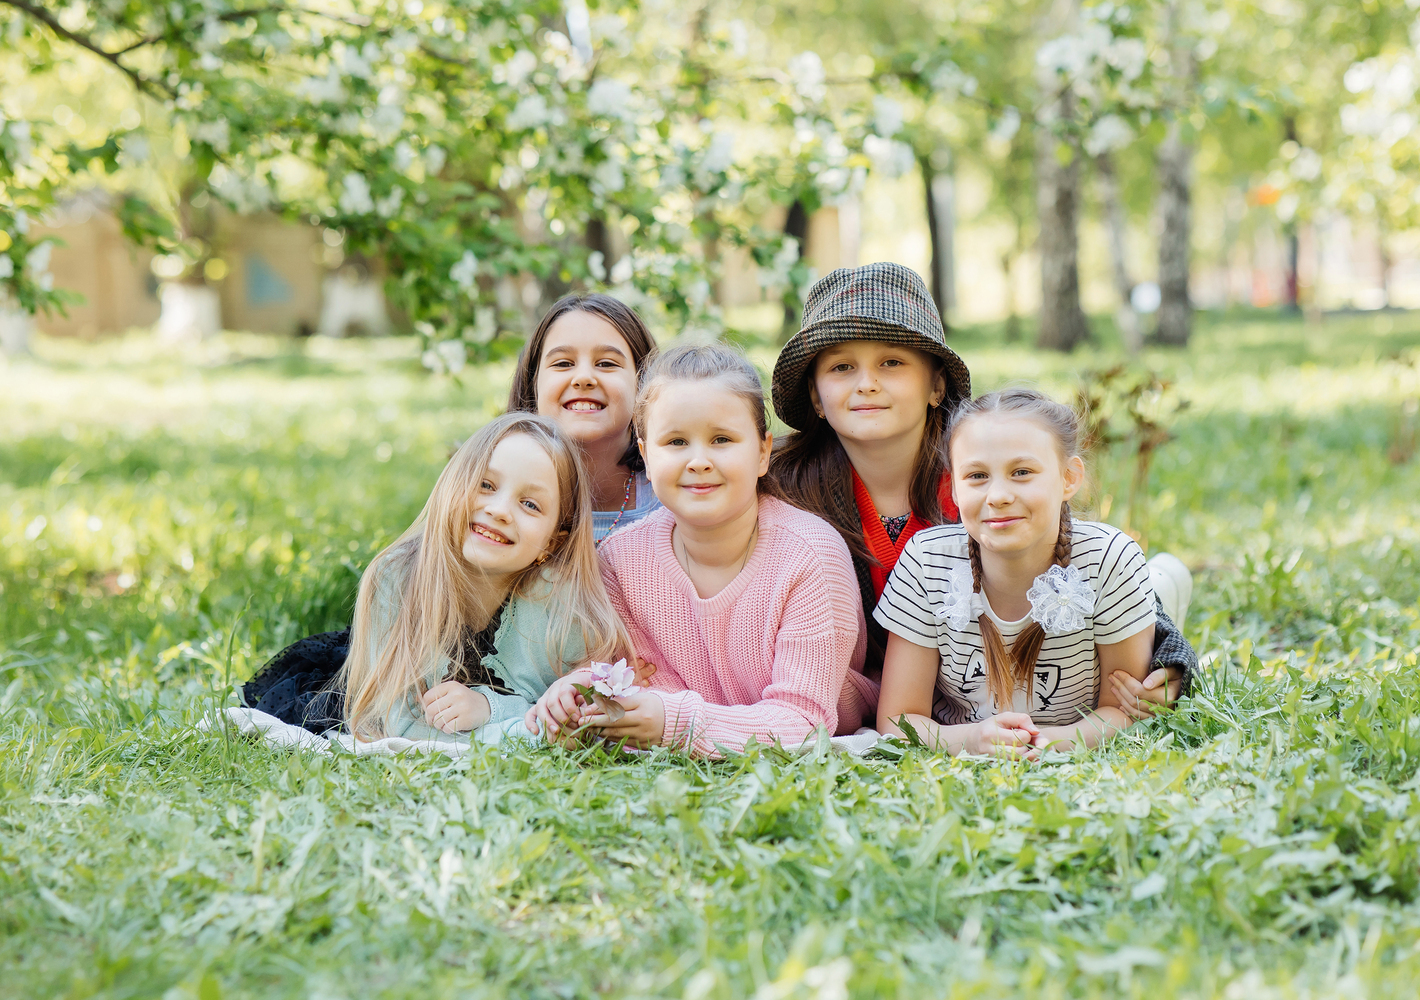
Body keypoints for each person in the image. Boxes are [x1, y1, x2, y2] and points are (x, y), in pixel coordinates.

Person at [768, 262, 1194, 715]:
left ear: (936, 384)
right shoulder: (784, 487)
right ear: (815, 395)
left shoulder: (981, 472)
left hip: (1010, 661)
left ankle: (1162, 590)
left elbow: (1076, 554)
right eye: (841, 367)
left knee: (1126, 612)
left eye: (891, 362)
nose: (867, 383)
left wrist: (1172, 658)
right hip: (877, 686)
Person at [527, 343, 875, 755]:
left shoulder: (810, 556)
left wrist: (674, 722)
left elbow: (802, 723)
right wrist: (580, 687)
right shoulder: (621, 560)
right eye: (675, 442)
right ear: (645, 455)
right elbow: (627, 674)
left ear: (763, 451)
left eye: (722, 439)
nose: (698, 461)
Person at [241, 413, 626, 743]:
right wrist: (513, 727)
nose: (499, 510)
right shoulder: (395, 579)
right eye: (485, 485)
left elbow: (568, 724)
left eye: (530, 504)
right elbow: (395, 724)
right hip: (374, 672)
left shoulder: (559, 613)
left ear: (552, 540)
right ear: (453, 487)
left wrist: (488, 708)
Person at [875, 389, 1159, 755]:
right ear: (955, 489)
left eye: (1021, 472)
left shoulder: (1108, 559)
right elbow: (897, 719)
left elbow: (1128, 709)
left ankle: (1167, 581)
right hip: (971, 735)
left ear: (1069, 478)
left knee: (1164, 587)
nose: (998, 495)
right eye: (976, 476)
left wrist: (1051, 742)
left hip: (1073, 722)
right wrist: (974, 739)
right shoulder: (927, 562)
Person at [507, 293, 661, 544]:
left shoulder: (671, 497)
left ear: (643, 382)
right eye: (563, 363)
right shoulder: (496, 494)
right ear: (533, 382)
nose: (583, 378)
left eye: (607, 363)